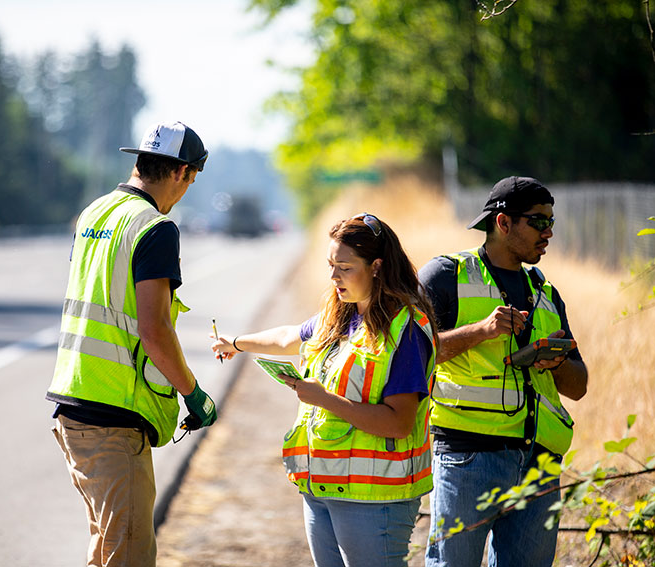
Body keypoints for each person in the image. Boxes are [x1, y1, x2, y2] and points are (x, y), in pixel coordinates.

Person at [213, 214, 438, 567]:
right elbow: (290, 336)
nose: (333, 277)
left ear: (376, 267)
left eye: (344, 268)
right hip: (322, 488)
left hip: (375, 497)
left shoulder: (405, 330)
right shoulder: (343, 316)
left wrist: (324, 400)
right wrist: (237, 343)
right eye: (331, 265)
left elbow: (399, 424)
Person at [46, 121, 218, 567]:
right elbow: (155, 329)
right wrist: (193, 394)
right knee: (129, 555)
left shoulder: (94, 213)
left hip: (75, 406)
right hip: (114, 421)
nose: (187, 190)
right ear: (181, 172)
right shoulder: (155, 228)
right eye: (192, 179)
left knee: (107, 547)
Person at [420, 176, 589, 567]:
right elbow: (411, 357)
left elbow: (579, 388)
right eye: (538, 221)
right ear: (503, 223)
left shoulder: (546, 291)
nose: (548, 232)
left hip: (538, 461)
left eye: (551, 222)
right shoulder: (446, 275)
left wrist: (558, 361)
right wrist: (482, 330)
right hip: (467, 457)